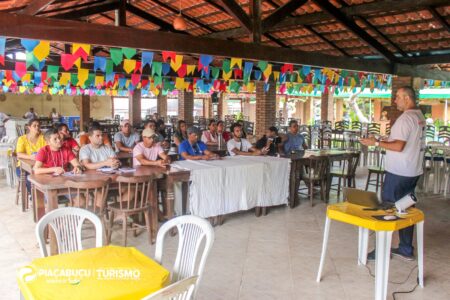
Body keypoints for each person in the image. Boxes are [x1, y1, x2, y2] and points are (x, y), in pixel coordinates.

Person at [360, 86, 426, 261]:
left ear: (406, 98)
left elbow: (398, 146)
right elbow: (400, 141)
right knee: (405, 208)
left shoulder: (406, 119)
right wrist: (380, 139)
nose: (395, 100)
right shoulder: (419, 116)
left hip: (399, 172)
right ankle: (405, 248)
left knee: (387, 208)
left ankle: (382, 250)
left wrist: (375, 143)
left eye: (397, 97)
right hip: (412, 170)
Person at [16, 119, 46, 193]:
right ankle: (33, 195)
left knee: (45, 177)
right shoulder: (22, 139)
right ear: (29, 127)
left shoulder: (43, 138)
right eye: (34, 126)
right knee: (28, 178)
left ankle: (42, 194)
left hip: (40, 165)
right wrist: (31, 157)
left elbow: (47, 150)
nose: (37, 127)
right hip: (23, 166)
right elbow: (19, 154)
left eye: (38, 126)